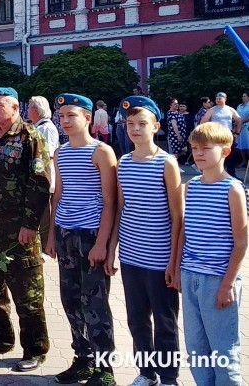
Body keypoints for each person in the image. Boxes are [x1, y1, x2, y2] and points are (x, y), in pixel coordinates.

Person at [0, 87, 50, 373]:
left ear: (16, 108)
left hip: (19, 232)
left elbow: (40, 183)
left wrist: (30, 225)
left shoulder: (30, 138)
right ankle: (0, 339)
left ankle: (35, 350)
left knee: (27, 295)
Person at [106, 96, 183, 386]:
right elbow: (122, 209)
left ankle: (168, 377)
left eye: (142, 124)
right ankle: (146, 372)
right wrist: (113, 249)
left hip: (160, 257)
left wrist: (174, 261)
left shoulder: (167, 163)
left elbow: (178, 217)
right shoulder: (123, 162)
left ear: (155, 127)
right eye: (130, 124)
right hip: (131, 257)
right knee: (137, 319)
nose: (135, 129)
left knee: (165, 322)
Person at [45, 94, 118, 386]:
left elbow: (110, 201)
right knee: (71, 300)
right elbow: (58, 196)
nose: (64, 121)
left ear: (87, 118)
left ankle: (105, 369)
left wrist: (102, 243)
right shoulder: (60, 152)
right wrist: (51, 235)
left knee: (95, 303)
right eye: (61, 116)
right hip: (65, 234)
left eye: (71, 115)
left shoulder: (101, 152)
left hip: (90, 237)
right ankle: (82, 359)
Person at [178, 122, 247, 386]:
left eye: (206, 148)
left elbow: (241, 242)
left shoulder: (232, 189)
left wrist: (228, 283)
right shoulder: (192, 186)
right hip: (190, 275)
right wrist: (177, 267)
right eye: (195, 148)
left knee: (223, 351)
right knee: (196, 349)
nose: (198, 153)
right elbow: (186, 231)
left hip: (218, 280)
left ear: (226, 151)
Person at [27, 96, 59, 249]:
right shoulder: (38, 127)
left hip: (45, 179)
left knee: (45, 215)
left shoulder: (46, 128)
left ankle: (47, 247)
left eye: (29, 107)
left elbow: (49, 154)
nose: (27, 110)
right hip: (39, 179)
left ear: (35, 110)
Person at [200, 92, 242, 177]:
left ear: (225, 99)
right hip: (216, 135)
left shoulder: (230, 109)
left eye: (220, 98)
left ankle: (232, 174)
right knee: (216, 154)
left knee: (230, 155)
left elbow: (239, 121)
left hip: (228, 134)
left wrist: (237, 133)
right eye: (217, 98)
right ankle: (216, 174)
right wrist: (208, 132)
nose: (218, 100)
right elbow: (203, 122)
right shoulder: (212, 110)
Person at [165, 98, 187, 162]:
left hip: (182, 134)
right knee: (175, 152)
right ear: (170, 105)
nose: (177, 105)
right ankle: (173, 165)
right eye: (175, 104)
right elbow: (174, 125)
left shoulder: (177, 112)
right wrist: (178, 136)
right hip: (175, 136)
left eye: (177, 104)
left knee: (184, 150)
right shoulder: (171, 113)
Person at [236, 93, 249, 167]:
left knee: (247, 145)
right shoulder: (239, 106)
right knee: (241, 145)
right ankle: (244, 161)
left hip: (247, 127)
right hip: (240, 127)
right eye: (242, 96)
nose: (242, 97)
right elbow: (236, 116)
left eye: (244, 96)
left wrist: (242, 121)